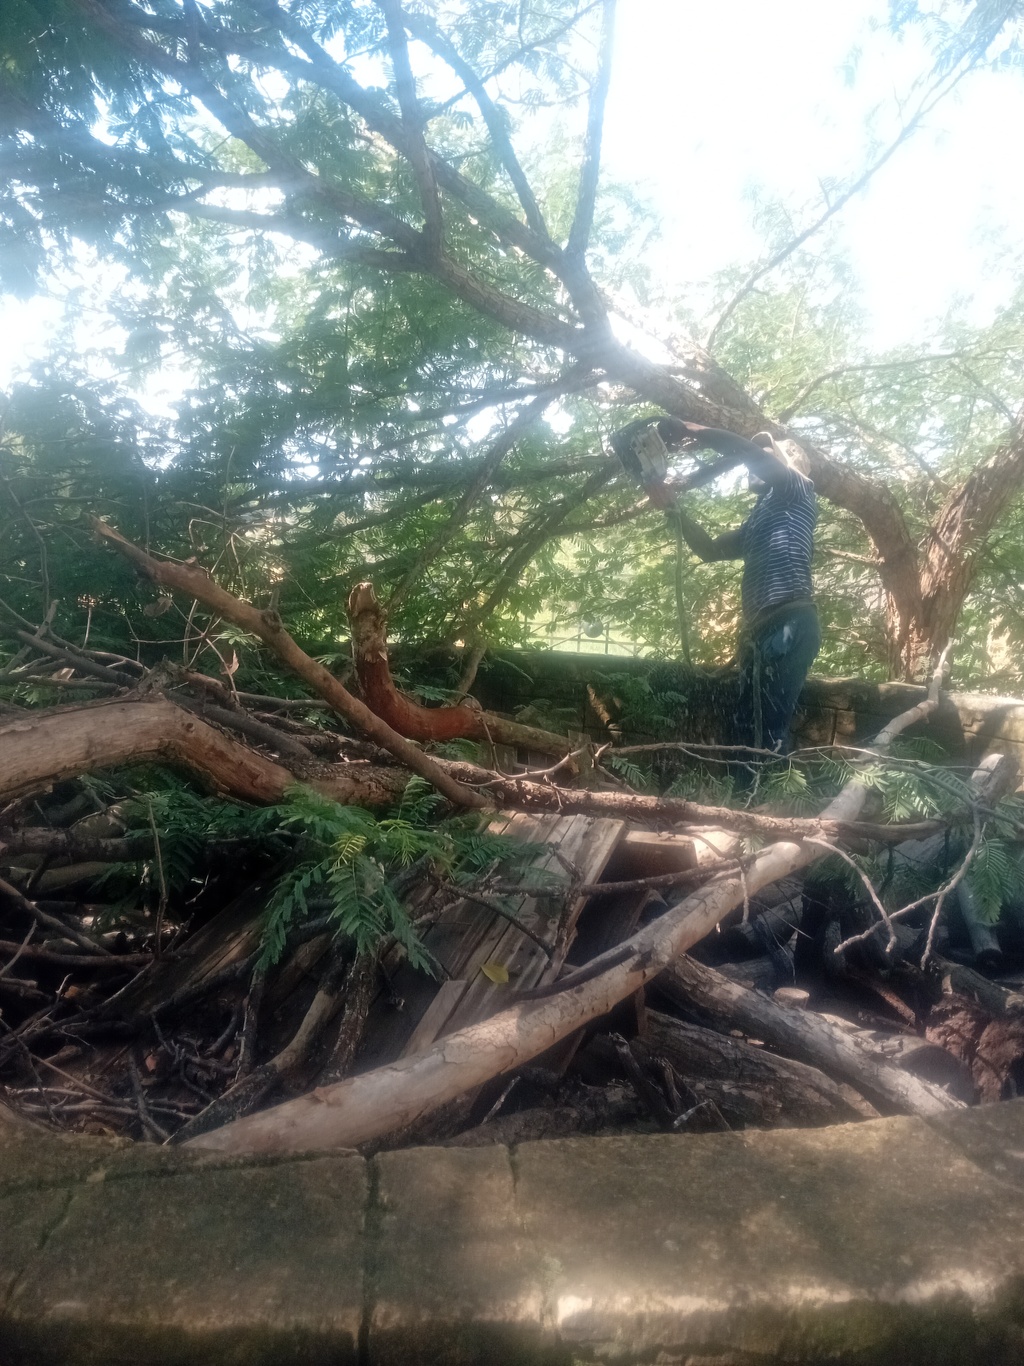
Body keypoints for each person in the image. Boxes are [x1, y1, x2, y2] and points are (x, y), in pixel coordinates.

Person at [611, 418, 819, 756]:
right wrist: (672, 509)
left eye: (767, 453)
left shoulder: (798, 489)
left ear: (786, 466)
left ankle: (769, 801)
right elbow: (710, 550)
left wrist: (692, 429)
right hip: (762, 631)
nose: (752, 461)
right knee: (744, 726)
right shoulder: (760, 518)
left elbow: (748, 453)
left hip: (790, 622)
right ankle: (741, 801)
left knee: (768, 726)